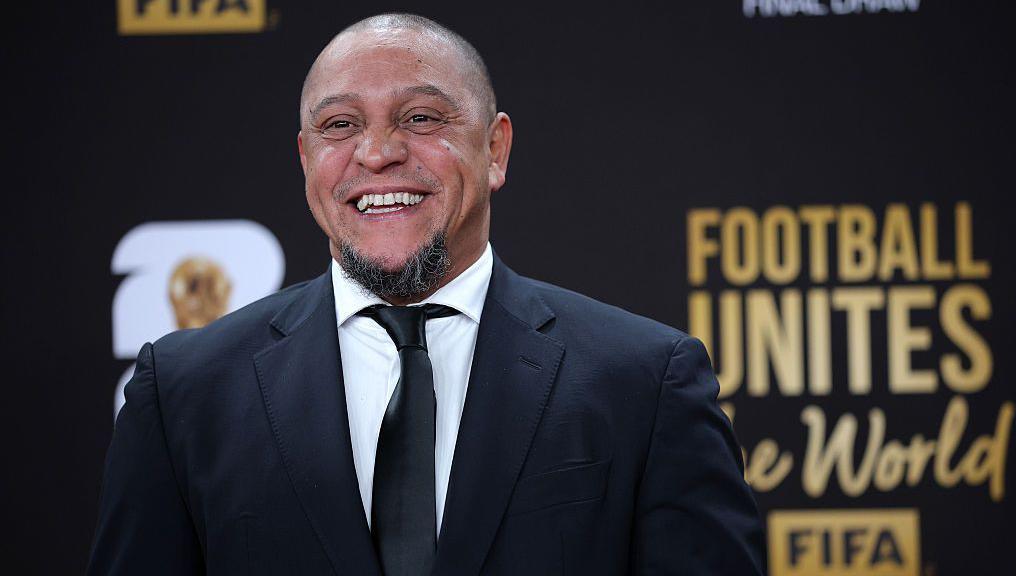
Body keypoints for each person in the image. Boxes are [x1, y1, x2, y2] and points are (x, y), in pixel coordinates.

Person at [87, 13, 766, 576]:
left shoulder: (644, 383)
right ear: (305, 160)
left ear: (495, 149)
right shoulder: (182, 395)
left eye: (420, 117)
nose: (377, 153)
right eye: (340, 126)